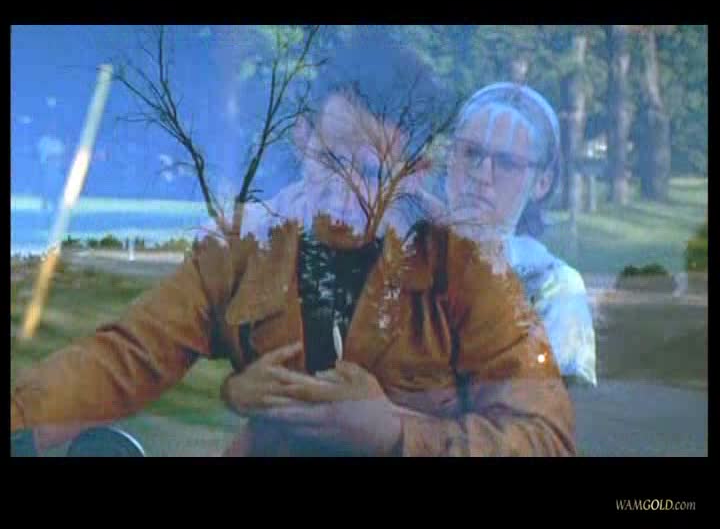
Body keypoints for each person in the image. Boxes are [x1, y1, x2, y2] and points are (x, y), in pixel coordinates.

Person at [11, 29, 574, 457]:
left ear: (416, 173)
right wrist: (22, 424)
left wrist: (396, 432)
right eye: (331, 159)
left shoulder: (467, 264)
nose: (345, 193)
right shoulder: (244, 245)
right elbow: (127, 355)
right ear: (303, 138)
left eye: (373, 173)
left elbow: (546, 437)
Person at [436, 82, 597, 386]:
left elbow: (555, 406)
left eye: (507, 163)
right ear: (449, 158)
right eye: (471, 153)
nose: (482, 174)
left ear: (542, 183)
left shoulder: (552, 285)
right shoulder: (406, 255)